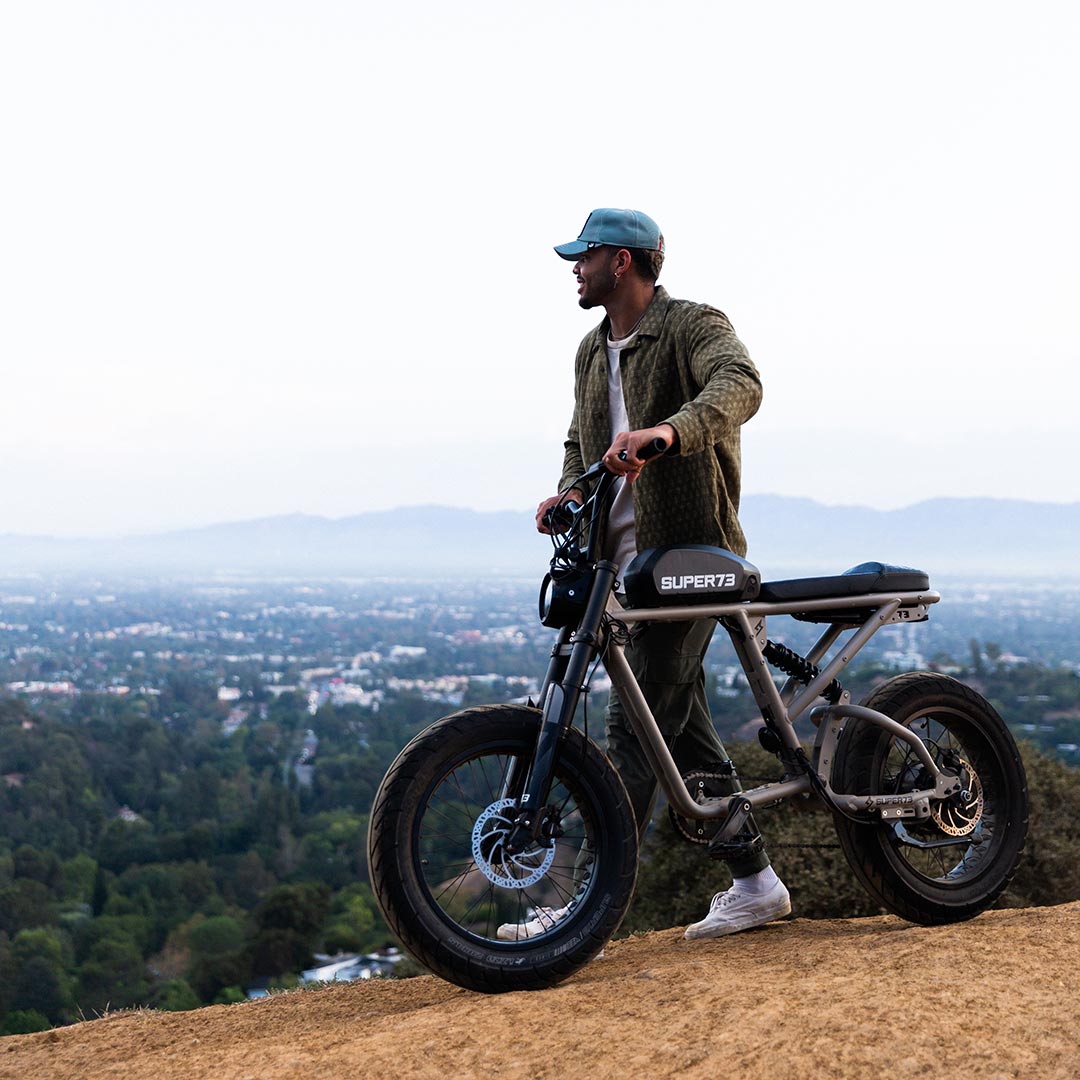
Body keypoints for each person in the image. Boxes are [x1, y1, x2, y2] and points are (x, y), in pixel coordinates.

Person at [500, 208, 789, 943]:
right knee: (678, 725)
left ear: (622, 262)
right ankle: (756, 882)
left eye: (584, 256)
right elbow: (580, 438)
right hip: (620, 567)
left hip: (693, 558)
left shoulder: (693, 325)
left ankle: (582, 918)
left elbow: (741, 384)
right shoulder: (591, 351)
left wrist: (669, 432)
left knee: (635, 728)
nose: (574, 267)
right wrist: (570, 489)